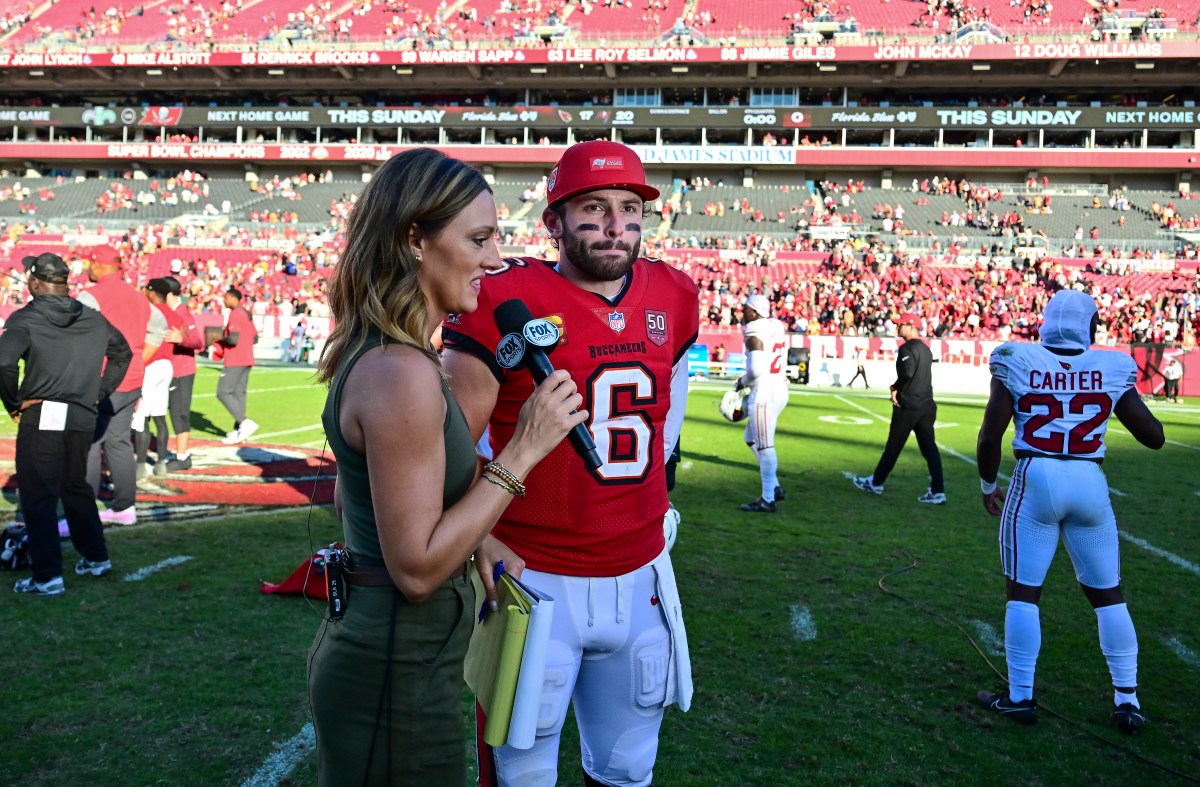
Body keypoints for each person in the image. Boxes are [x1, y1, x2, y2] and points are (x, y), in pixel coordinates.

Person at [307, 148, 585, 786]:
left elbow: (375, 505)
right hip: (393, 668)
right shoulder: (400, 370)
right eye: (480, 239)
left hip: (402, 658)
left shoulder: (398, 355)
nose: (495, 259)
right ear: (414, 241)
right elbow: (416, 570)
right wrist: (522, 450)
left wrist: (480, 535)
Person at [441, 139, 696, 787]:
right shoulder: (504, 297)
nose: (616, 225)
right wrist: (484, 534)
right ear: (553, 220)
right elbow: (450, 443)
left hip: (639, 576)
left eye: (629, 208)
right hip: (532, 577)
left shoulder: (675, 292)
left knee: (627, 766)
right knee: (521, 769)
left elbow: (666, 424)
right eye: (593, 208)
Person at [974, 289, 1164, 733]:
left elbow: (989, 437)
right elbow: (1153, 436)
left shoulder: (1016, 358)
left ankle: (1020, 697)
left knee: (1023, 594)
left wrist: (987, 486)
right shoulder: (1112, 365)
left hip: (1035, 477)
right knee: (1108, 595)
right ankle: (1127, 701)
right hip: (1089, 481)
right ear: (1090, 326)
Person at [1, 254, 131, 595]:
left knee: (39, 494)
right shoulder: (91, 317)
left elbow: (3, 363)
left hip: (44, 412)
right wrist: (98, 392)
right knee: (75, 486)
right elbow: (123, 354)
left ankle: (47, 576)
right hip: (81, 414)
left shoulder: (25, 318)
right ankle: (96, 558)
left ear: (34, 282)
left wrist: (13, 402)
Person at [78, 244, 167, 527]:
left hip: (101, 380)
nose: (88, 269)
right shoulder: (139, 298)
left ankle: (85, 508)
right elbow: (159, 327)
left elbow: (74, 337)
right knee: (118, 441)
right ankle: (125, 507)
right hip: (131, 379)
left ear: (99, 265)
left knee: (90, 443)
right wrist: (141, 357)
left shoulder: (90, 296)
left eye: (90, 264)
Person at [852, 313, 946, 504]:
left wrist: (895, 387)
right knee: (930, 449)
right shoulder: (926, 350)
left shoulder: (906, 349)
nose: (897, 328)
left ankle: (876, 483)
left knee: (893, 447)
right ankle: (938, 491)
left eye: (900, 325)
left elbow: (908, 371)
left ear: (911, 326)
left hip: (908, 406)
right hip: (926, 405)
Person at [736, 293, 790, 513]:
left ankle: (768, 498)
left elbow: (756, 370)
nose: (743, 312)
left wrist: (740, 383)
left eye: (747, 308)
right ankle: (774, 486)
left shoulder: (754, 330)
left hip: (764, 392)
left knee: (765, 447)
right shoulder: (775, 325)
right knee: (751, 438)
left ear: (755, 312)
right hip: (779, 387)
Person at [135, 279, 182, 477]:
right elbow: (183, 336)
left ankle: (140, 465)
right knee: (160, 417)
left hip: (150, 364)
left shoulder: (149, 312)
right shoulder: (175, 314)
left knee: (142, 417)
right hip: (167, 365)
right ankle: (161, 462)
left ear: (153, 293)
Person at [162, 276, 201, 471]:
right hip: (172, 368)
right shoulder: (172, 312)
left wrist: (181, 339)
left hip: (181, 370)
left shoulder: (182, 313)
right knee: (172, 411)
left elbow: (197, 341)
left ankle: (183, 455)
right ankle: (177, 452)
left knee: (179, 412)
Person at [214, 287, 259, 444]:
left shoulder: (235, 314)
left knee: (223, 392)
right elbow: (255, 338)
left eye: (226, 298)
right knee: (239, 394)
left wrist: (218, 338)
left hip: (235, 359)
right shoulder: (246, 313)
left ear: (233, 298)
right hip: (247, 358)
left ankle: (245, 423)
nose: (224, 301)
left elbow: (233, 339)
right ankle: (239, 430)